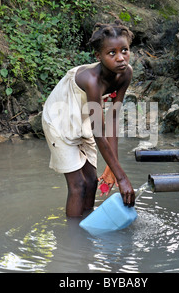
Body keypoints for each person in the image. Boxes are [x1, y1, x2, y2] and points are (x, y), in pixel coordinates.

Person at [42, 20, 135, 217]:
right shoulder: (92, 81)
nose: (120, 58)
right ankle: (74, 239)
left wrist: (113, 166)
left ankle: (87, 229)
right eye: (112, 53)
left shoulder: (126, 73)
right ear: (98, 56)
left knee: (92, 182)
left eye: (124, 50)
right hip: (59, 119)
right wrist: (122, 178)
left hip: (84, 115)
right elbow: (99, 134)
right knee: (78, 185)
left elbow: (113, 119)